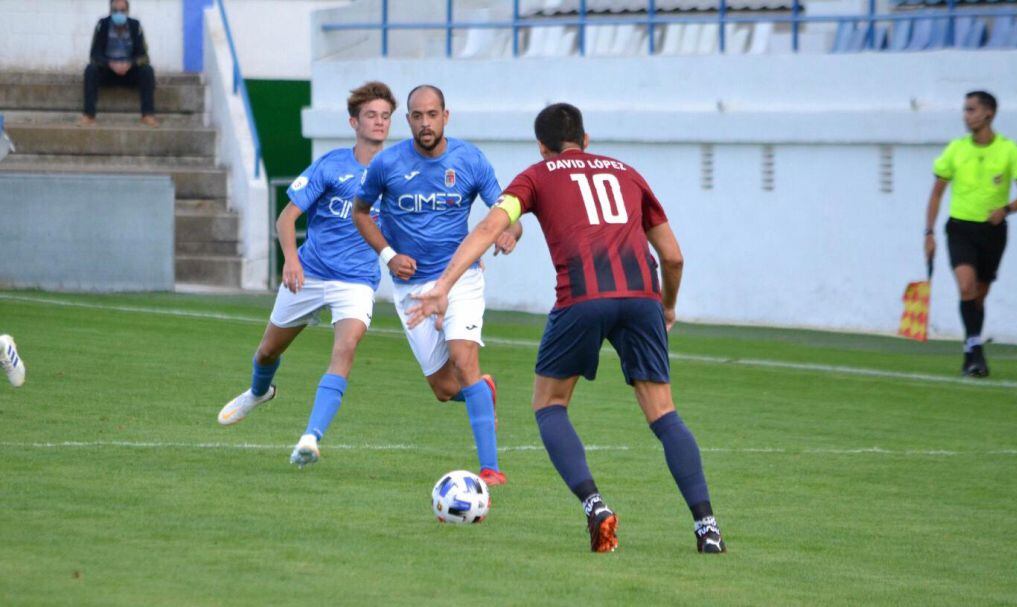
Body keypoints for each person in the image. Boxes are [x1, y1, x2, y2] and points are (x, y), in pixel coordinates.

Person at [408, 103, 725, 554]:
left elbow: (490, 226)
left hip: (582, 298)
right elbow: (672, 256)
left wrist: (444, 285)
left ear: (541, 146)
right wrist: (667, 307)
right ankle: (707, 527)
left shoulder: (537, 176)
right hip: (642, 299)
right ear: (586, 139)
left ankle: (595, 506)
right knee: (664, 413)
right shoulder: (628, 174)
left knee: (550, 404)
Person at [217, 82, 397, 468]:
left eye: (385, 116)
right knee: (267, 351)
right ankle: (258, 393)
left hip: (356, 281)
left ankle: (310, 439)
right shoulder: (331, 164)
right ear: (354, 121)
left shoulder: (396, 172)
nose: (379, 122)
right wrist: (291, 260)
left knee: (344, 349)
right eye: (371, 115)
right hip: (309, 273)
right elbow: (286, 218)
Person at [353, 84, 523, 487]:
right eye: (417, 115)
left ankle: (490, 469)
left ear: (446, 116)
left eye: (432, 114)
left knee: (465, 362)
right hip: (411, 286)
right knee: (445, 388)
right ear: (407, 119)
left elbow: (508, 211)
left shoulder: (469, 160)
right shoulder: (386, 164)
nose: (425, 122)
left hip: (460, 277)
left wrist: (511, 232)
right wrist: (388, 255)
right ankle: (482, 391)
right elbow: (361, 213)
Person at [924, 91, 1017, 377]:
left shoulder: (1009, 150)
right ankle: (976, 351)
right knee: (965, 287)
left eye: (971, 110)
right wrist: (929, 232)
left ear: (989, 113)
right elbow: (936, 194)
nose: (966, 115)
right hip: (960, 229)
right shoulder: (955, 149)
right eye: (965, 110)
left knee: (978, 297)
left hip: (993, 232)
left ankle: (970, 350)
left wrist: (1006, 209)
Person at [79, 0, 158, 128]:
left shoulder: (135, 26)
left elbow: (144, 56)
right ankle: (89, 115)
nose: (119, 14)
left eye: (122, 10)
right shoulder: (102, 25)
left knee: (147, 70)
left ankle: (148, 115)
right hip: (108, 71)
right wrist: (110, 64)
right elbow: (94, 55)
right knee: (90, 69)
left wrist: (130, 64)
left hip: (129, 72)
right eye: (115, 10)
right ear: (110, 11)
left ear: (127, 11)